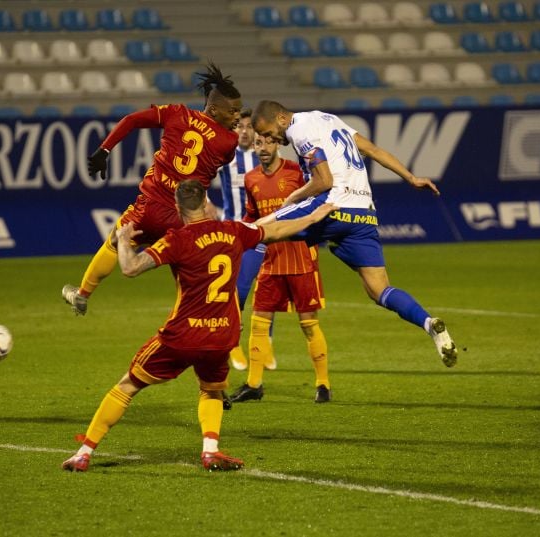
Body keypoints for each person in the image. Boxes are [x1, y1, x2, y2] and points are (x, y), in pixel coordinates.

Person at [62, 180, 336, 472]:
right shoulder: (234, 231)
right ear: (207, 201)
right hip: (222, 334)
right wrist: (314, 216)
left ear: (178, 208)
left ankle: (84, 452)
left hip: (183, 334)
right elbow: (277, 230)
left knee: (128, 385)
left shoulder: (175, 239)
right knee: (211, 390)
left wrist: (123, 239)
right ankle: (210, 450)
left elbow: (130, 268)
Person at [250, 101, 457, 366]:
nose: (270, 139)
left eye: (268, 132)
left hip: (332, 206)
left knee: (259, 229)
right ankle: (429, 324)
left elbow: (324, 181)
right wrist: (411, 178)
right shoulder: (327, 118)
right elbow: (371, 149)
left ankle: (229, 302)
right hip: (363, 214)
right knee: (379, 290)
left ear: (280, 118)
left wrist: (294, 196)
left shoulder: (298, 130)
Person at [62, 62, 242, 316]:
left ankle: (82, 294)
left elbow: (132, 120)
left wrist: (104, 150)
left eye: (239, 112)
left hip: (149, 208)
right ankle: (197, 318)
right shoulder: (229, 142)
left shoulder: (176, 113)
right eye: (233, 111)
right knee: (187, 268)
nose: (237, 117)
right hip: (184, 215)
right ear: (213, 109)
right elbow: (213, 159)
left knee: (115, 242)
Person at [229, 134, 331, 404]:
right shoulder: (251, 179)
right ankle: (254, 384)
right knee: (259, 322)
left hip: (300, 257)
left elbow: (319, 201)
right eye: (259, 144)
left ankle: (323, 384)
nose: (263, 148)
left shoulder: (297, 173)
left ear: (278, 145)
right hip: (271, 258)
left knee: (308, 323)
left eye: (268, 143)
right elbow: (253, 215)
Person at [216, 108, 269, 371]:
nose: (245, 132)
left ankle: (265, 343)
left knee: (267, 287)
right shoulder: (225, 156)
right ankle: (233, 343)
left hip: (260, 230)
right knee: (238, 288)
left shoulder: (264, 156)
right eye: (240, 127)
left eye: (249, 127)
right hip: (233, 232)